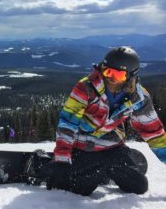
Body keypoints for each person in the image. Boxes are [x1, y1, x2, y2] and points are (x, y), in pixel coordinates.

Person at [31, 46, 166, 196]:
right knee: (80, 188)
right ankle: (42, 163)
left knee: (139, 186)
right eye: (107, 71)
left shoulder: (139, 99)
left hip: (112, 148)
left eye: (117, 75)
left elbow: (153, 132)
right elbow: (68, 123)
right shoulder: (86, 88)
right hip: (83, 146)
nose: (110, 78)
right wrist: (62, 159)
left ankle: (97, 169)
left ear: (130, 76)